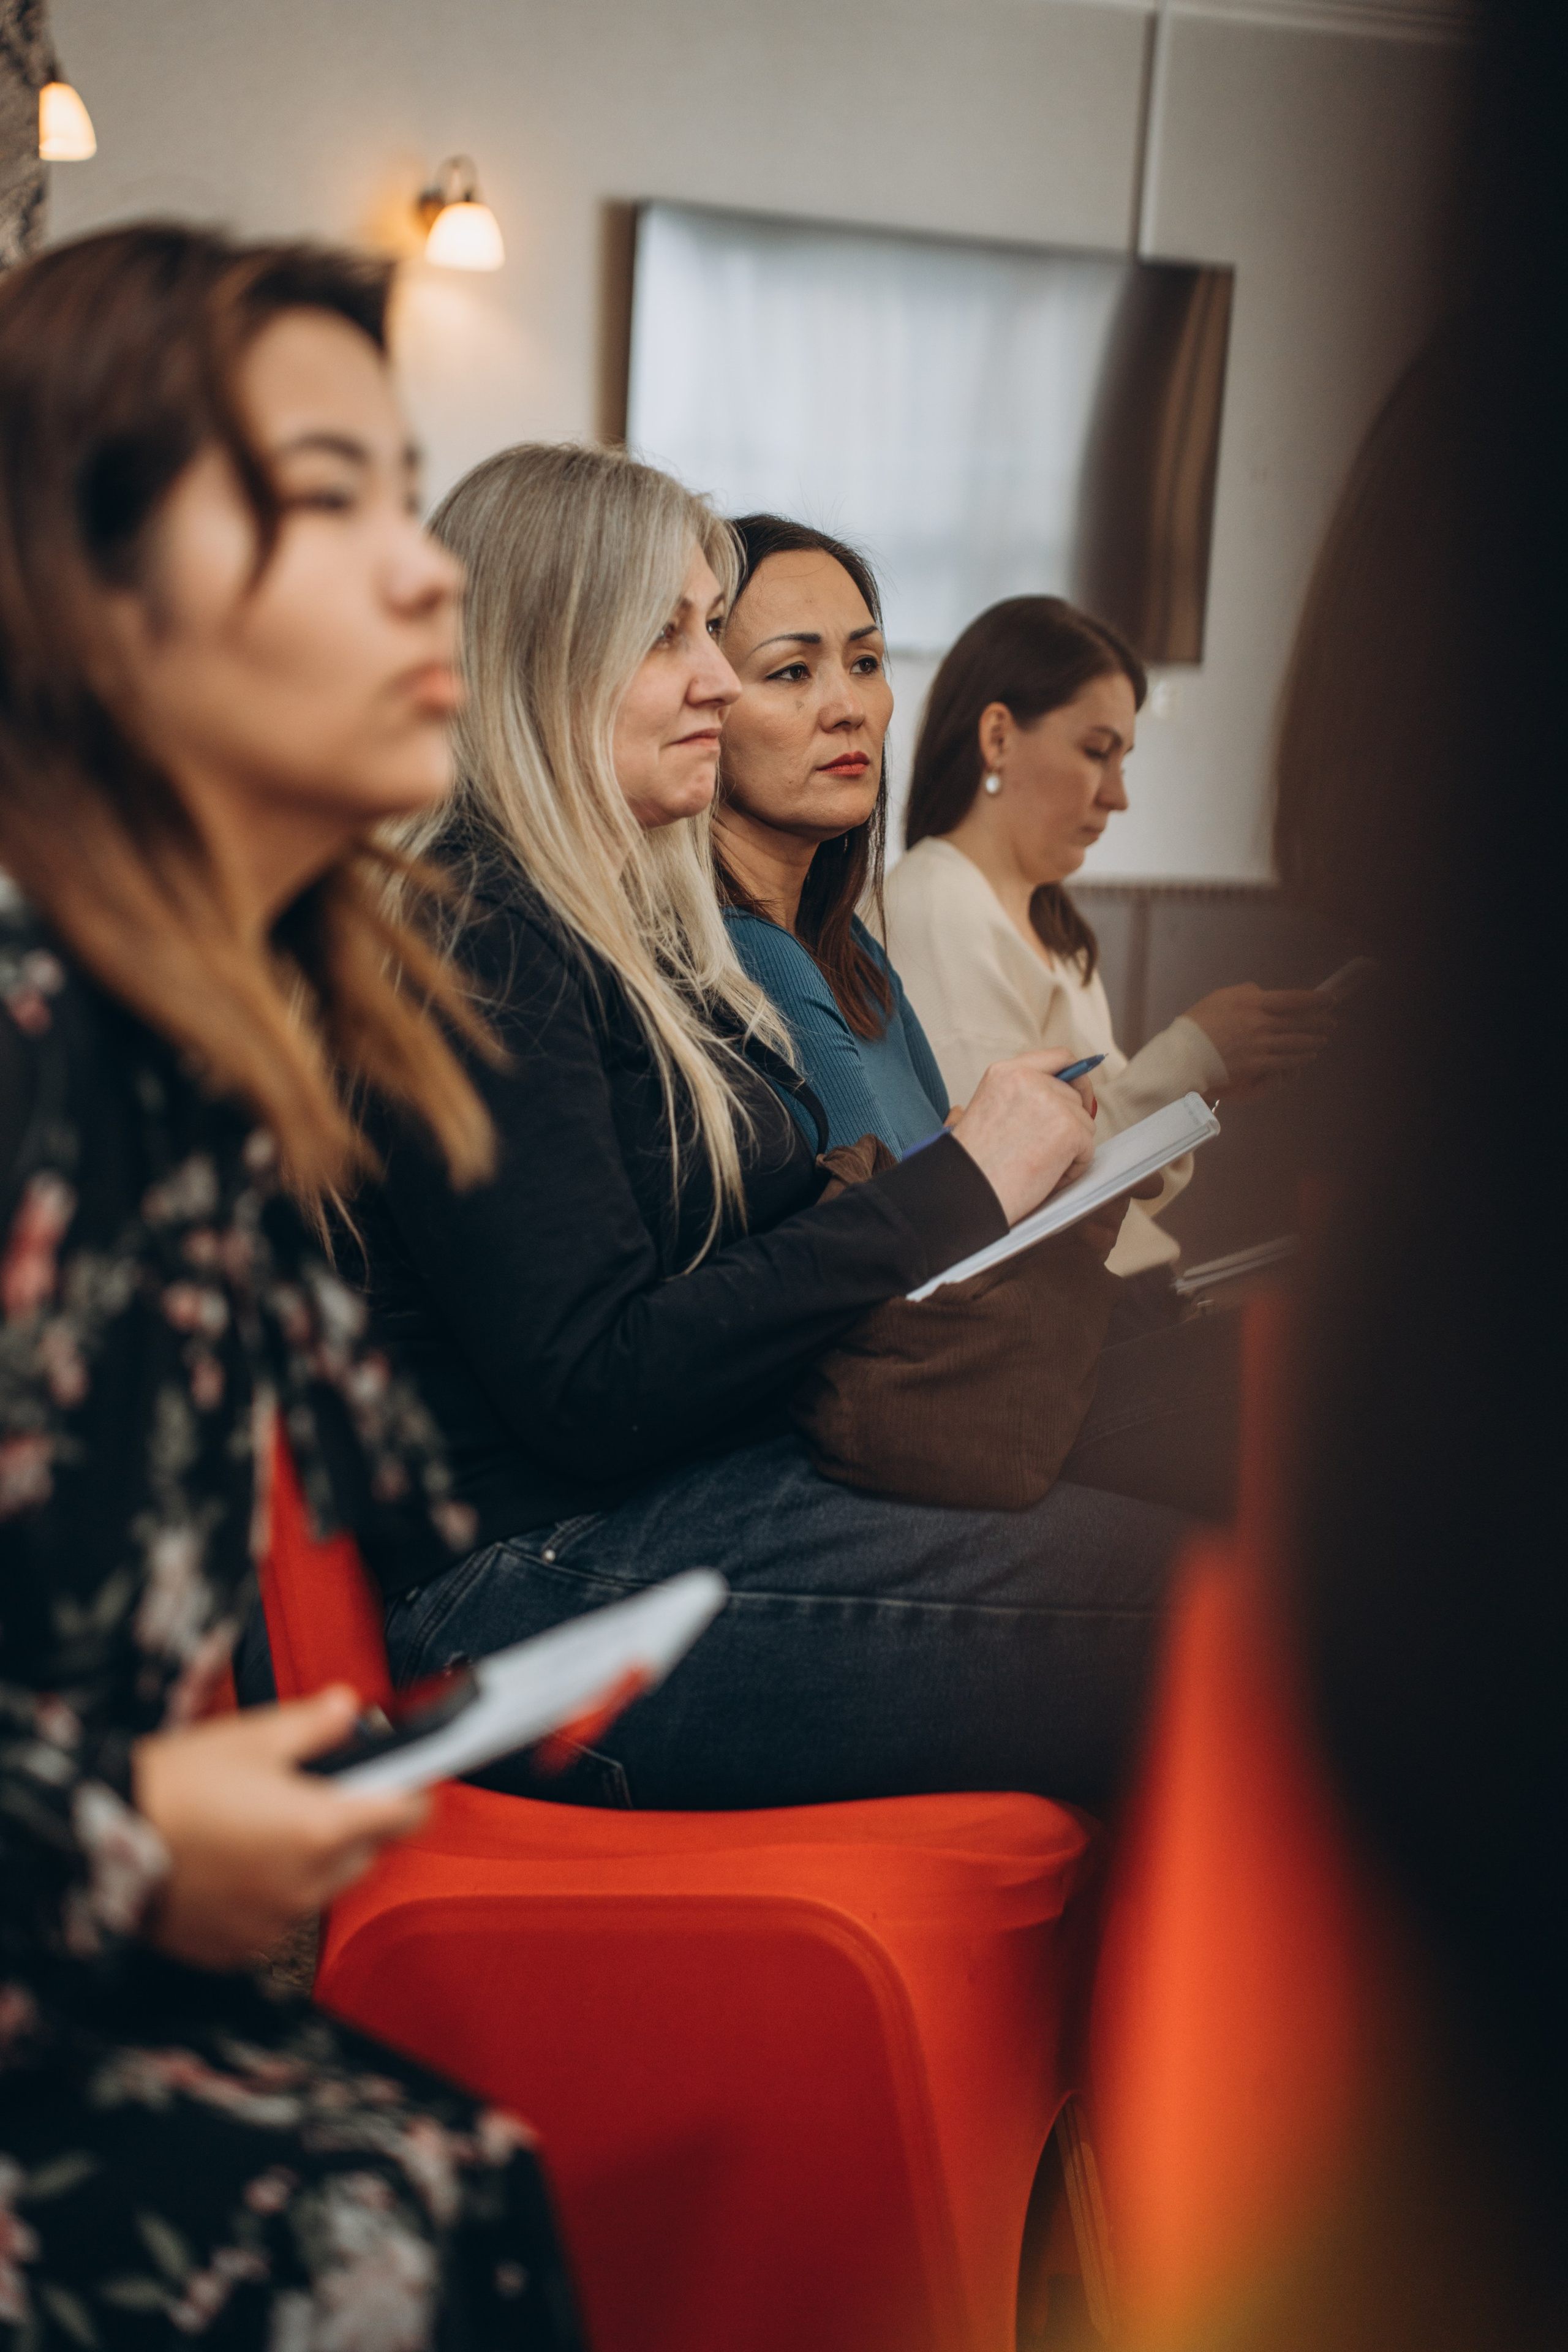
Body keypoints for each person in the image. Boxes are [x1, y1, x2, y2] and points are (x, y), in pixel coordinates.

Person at [347, 440, 1245, 1828]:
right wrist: (950, 1190)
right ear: (546, 658)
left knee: (1251, 1482)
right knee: (1225, 1631)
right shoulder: (479, 925)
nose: (713, 674)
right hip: (533, 1596)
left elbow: (735, 1276)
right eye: (670, 635)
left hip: (673, 1505)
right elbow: (592, 1383)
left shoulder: (608, 928)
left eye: (711, 629)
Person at [0, 227, 584, 2348]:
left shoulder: (191, 1057)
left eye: (400, 490)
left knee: (447, 2182)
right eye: (324, 494)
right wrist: (127, 1839)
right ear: (87, 577)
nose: (427, 567)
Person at [884, 596, 1335, 1326]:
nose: (1117, 796)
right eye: (1097, 752)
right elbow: (1006, 1186)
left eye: (1123, 760)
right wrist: (1193, 1054)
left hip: (1120, 1302)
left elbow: (1110, 1155)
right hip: (1058, 1333)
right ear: (998, 737)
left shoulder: (1048, 925)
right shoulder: (936, 906)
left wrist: (1211, 1075)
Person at [712, 514, 950, 1158]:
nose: (849, 707)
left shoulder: (850, 949)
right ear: (702, 701)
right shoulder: (739, 949)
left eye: (865, 662)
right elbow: (895, 1229)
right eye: (791, 671)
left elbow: (933, 1168)